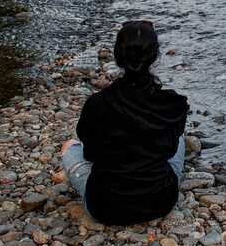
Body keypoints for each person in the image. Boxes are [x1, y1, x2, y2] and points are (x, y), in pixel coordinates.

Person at [60, 20, 189, 225]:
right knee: (180, 139)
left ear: (118, 56)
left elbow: (90, 154)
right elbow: (170, 149)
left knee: (70, 148)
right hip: (160, 200)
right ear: (155, 57)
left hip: (106, 206)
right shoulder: (173, 104)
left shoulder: (97, 104)